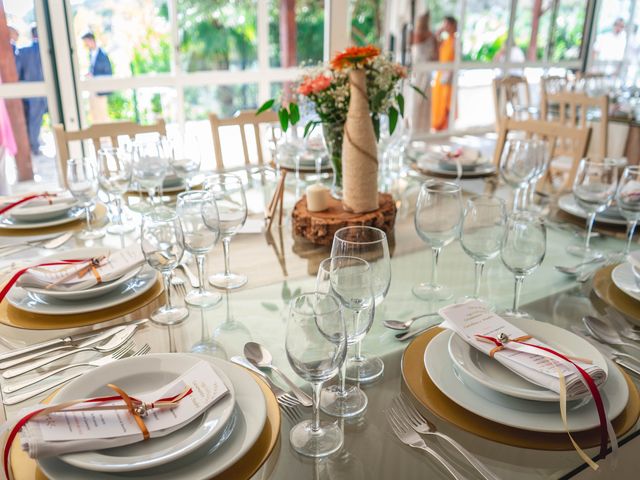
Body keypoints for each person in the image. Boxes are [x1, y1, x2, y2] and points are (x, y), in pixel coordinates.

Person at [16, 25, 47, 155]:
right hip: (48, 90)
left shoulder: (24, 51)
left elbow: (17, 72)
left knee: (33, 119)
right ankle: (34, 145)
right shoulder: (48, 49)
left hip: (31, 92)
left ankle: (34, 146)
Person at [409, 12, 438, 135]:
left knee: (416, 100)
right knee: (423, 100)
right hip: (425, 72)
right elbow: (436, 57)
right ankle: (422, 129)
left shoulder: (413, 36)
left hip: (418, 72)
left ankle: (415, 128)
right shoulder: (432, 36)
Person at [431, 16, 456, 131]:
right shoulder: (445, 41)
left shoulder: (455, 41)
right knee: (439, 99)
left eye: (447, 24)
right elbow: (435, 43)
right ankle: (439, 124)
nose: (445, 27)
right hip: (441, 73)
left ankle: (446, 125)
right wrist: (439, 31)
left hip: (449, 74)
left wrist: (449, 74)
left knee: (447, 99)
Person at [81, 31, 112, 123]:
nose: (85, 45)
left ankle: (106, 137)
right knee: (94, 114)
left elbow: (106, 72)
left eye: (86, 42)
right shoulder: (91, 54)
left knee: (102, 114)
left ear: (91, 40)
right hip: (93, 88)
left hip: (101, 89)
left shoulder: (102, 55)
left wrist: (94, 76)